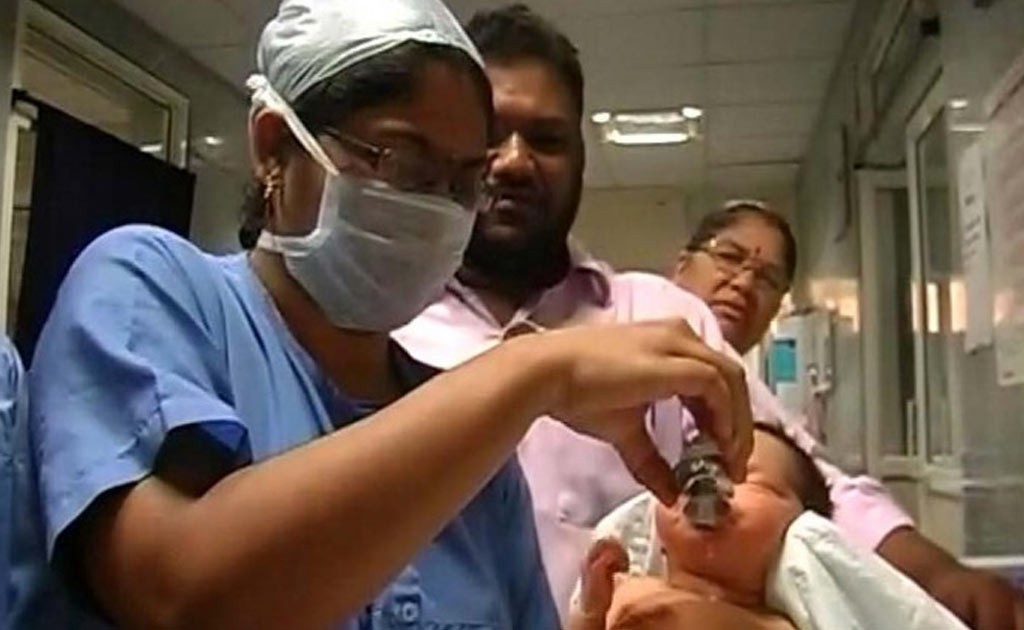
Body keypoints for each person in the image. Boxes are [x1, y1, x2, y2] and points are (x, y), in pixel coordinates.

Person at [14, 1, 754, 628]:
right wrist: (535, 369)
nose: (438, 209)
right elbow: (181, 592)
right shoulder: (156, 290)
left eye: (461, 183)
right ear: (275, 145)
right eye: (404, 164)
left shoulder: (476, 464)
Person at [393, 5, 1022, 628]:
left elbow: (791, 478)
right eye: (491, 134)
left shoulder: (661, 317)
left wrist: (937, 577)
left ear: (581, 156)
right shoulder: (379, 325)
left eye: (547, 139)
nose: (514, 160)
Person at [671, 200, 1024, 628]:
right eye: (729, 256)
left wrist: (940, 577)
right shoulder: (629, 320)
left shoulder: (747, 395)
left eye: (767, 278)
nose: (744, 282)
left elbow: (833, 491)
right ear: (683, 267)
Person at [569, 425, 967, 630]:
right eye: (688, 471)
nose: (708, 484)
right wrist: (590, 612)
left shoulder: (776, 622)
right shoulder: (625, 589)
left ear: (799, 531)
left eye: (746, 478)